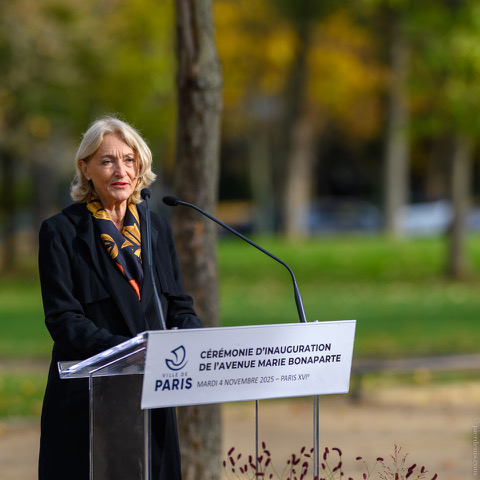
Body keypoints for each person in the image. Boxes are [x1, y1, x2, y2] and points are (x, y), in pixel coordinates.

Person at [38, 116, 201, 480]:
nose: (121, 171)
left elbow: (178, 305)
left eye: (129, 160)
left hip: (153, 397)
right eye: (107, 161)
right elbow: (63, 320)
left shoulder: (156, 228)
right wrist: (131, 353)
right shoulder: (60, 232)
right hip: (88, 403)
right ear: (85, 169)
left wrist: (193, 340)